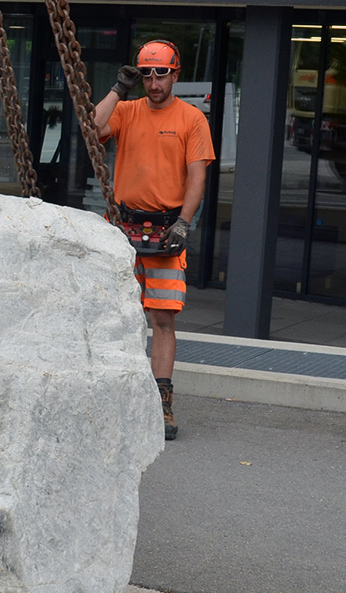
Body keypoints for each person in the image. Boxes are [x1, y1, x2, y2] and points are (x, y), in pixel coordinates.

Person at [94, 39, 215, 441]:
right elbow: (93, 128)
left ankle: (162, 403)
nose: (153, 81)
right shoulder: (126, 111)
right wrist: (117, 89)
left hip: (165, 231)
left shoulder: (192, 119)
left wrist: (184, 223)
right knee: (118, 317)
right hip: (124, 229)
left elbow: (197, 175)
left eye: (160, 72)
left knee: (162, 319)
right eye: (146, 73)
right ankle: (118, 399)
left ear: (175, 74)